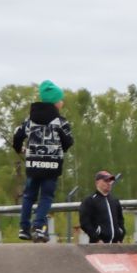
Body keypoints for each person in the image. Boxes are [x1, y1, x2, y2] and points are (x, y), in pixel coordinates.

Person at [11, 80, 74, 242]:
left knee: (28, 196)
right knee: (46, 196)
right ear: (55, 102)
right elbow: (68, 142)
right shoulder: (60, 122)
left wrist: (20, 150)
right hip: (51, 165)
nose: (62, 102)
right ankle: (39, 227)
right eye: (60, 100)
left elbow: (17, 136)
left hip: (33, 163)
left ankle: (24, 227)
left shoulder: (30, 120)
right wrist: (60, 149)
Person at [78, 170, 126, 243]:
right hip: (98, 246)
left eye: (110, 181)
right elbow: (85, 223)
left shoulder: (114, 200)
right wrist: (96, 239)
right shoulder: (90, 200)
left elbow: (120, 220)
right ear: (97, 182)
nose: (109, 183)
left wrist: (121, 236)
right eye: (106, 180)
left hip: (116, 245)